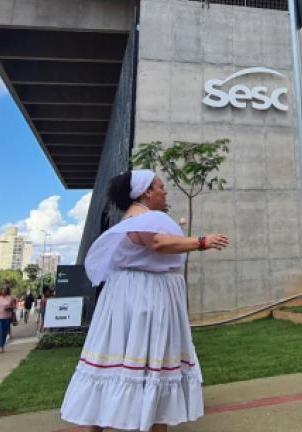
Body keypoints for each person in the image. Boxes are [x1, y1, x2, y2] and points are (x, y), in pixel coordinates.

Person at [60, 170, 229, 432]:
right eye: (160, 186)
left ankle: (112, 420)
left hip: (133, 294)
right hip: (144, 295)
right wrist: (201, 241)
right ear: (145, 192)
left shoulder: (134, 218)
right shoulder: (145, 219)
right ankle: (149, 420)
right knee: (149, 357)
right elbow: (158, 243)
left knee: (123, 359)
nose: (165, 191)